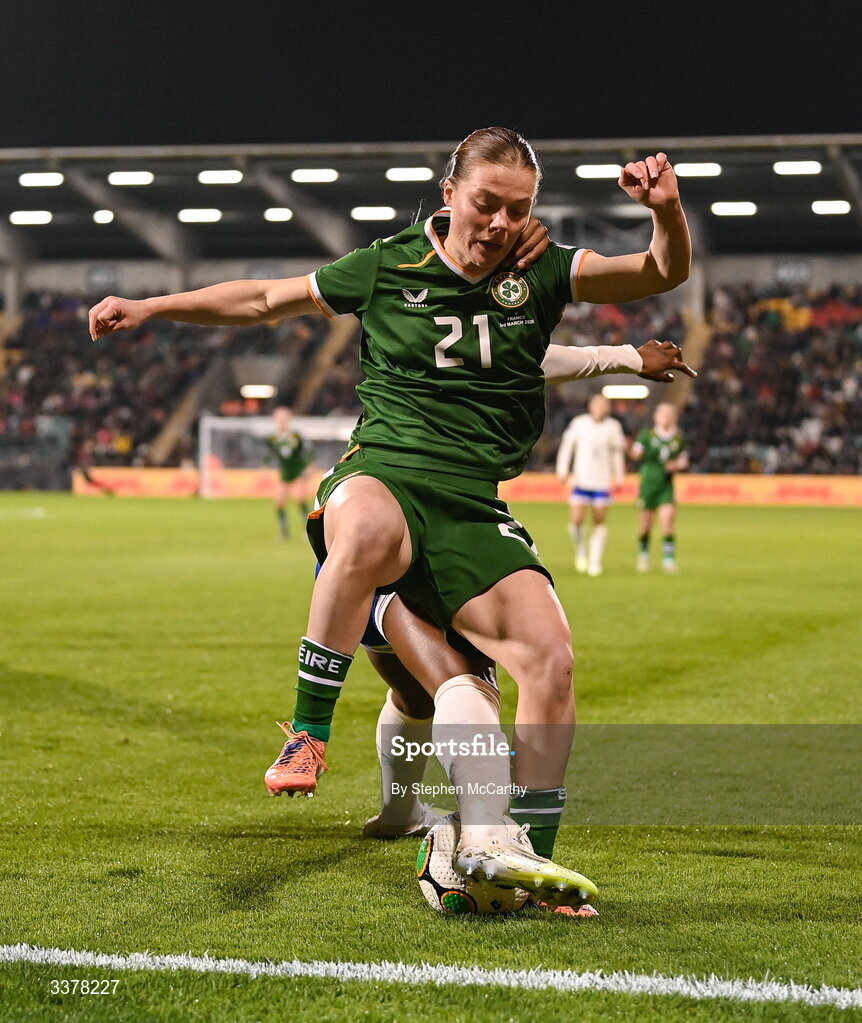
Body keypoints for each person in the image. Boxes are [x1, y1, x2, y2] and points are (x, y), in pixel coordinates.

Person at [89, 127, 692, 907]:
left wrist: (667, 212)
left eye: (518, 209)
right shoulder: (386, 264)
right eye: (486, 204)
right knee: (378, 547)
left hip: (473, 503)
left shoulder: (541, 270)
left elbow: (657, 271)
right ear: (449, 194)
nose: (501, 224)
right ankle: (308, 732)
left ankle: (528, 859)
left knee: (551, 659)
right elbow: (267, 298)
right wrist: (151, 304)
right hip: (381, 476)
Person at [555, 393, 626, 576]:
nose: (600, 407)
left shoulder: (613, 426)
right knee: (577, 520)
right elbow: (566, 447)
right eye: (597, 404)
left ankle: (595, 560)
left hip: (602, 480)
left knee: (599, 520)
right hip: (581, 478)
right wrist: (562, 470)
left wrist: (619, 475)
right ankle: (581, 550)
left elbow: (617, 453)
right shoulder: (579, 423)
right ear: (590, 406)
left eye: (604, 404)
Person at [630, 402, 689, 573]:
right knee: (645, 526)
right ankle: (643, 555)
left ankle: (668, 559)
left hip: (666, 486)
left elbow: (684, 459)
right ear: (656, 417)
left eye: (668, 414)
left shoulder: (678, 438)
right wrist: (630, 450)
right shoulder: (647, 436)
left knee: (667, 522)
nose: (665, 417)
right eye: (662, 414)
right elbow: (636, 453)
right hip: (648, 484)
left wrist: (676, 464)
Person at [266, 406, 313, 540]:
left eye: (284, 418)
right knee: (279, 502)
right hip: (285, 473)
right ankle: (284, 533)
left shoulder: (295, 436)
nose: (281, 421)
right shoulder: (273, 438)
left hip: (298, 471)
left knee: (301, 499)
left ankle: (308, 531)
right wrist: (266, 466)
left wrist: (310, 465)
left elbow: (307, 450)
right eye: (279, 418)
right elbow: (270, 454)